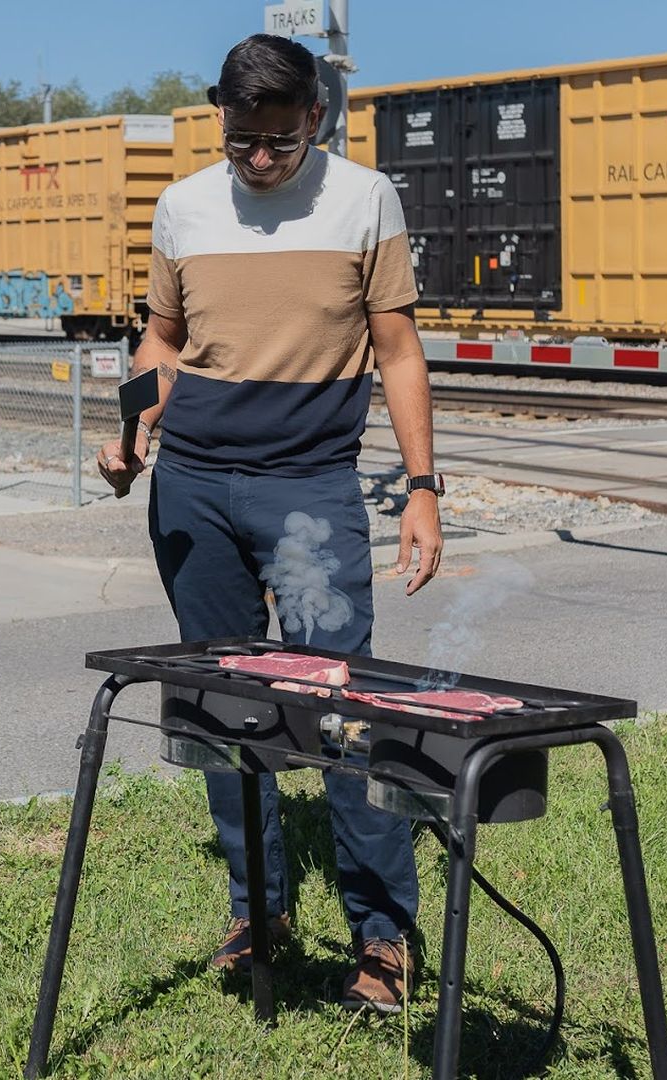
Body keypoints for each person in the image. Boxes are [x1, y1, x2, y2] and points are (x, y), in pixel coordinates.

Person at [97, 33, 444, 1014]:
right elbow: (164, 338)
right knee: (222, 708)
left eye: (279, 145)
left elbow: (399, 350)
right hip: (195, 487)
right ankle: (261, 911)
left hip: (310, 490)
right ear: (221, 118)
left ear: (317, 122)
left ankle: (382, 935)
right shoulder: (183, 206)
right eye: (242, 140)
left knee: (343, 705)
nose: (258, 161)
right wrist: (127, 433)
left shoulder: (365, 200)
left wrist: (423, 487)